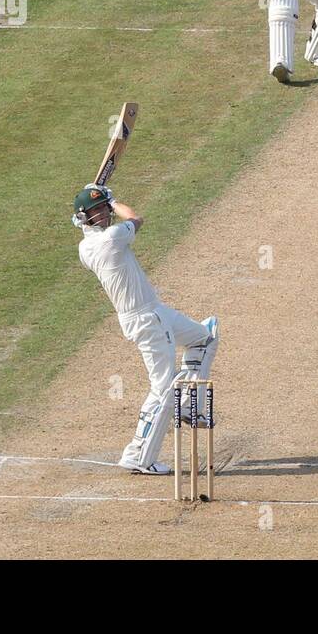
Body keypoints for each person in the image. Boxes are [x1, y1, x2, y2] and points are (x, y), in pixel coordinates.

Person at [72, 184, 219, 475]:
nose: (101, 215)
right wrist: (112, 201)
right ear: (83, 217)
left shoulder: (84, 248)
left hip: (155, 312)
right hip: (146, 321)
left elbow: (101, 227)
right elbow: (136, 218)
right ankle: (138, 455)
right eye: (95, 212)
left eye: (102, 209)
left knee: (205, 338)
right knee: (163, 388)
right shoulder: (111, 239)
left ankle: (192, 407)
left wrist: (97, 200)